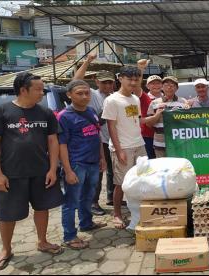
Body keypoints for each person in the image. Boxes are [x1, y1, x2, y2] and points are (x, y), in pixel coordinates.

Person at [0, 72, 64, 271]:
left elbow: (53, 141)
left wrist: (53, 168)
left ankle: (42, 241)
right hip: (11, 174)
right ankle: (6, 249)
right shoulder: (1, 112)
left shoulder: (45, 113)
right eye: (38, 89)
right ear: (23, 90)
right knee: (7, 214)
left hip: (41, 171)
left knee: (42, 207)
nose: (42, 92)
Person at [58, 80, 107, 249]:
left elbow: (97, 135)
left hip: (93, 162)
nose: (85, 96)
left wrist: (102, 158)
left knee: (88, 197)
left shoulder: (92, 111)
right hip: (76, 164)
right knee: (71, 202)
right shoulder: (64, 116)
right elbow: (61, 145)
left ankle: (86, 223)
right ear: (69, 94)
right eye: (80, 93)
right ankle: (69, 236)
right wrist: (68, 170)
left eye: (87, 93)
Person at [102, 66, 147, 229]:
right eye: (130, 79)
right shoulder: (112, 100)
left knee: (141, 180)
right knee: (120, 183)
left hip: (139, 145)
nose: (133, 83)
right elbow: (111, 126)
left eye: (136, 79)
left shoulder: (135, 99)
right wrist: (119, 150)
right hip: (123, 147)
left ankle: (140, 210)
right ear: (120, 78)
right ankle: (117, 214)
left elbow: (136, 120)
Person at [73, 53, 115, 216]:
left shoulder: (114, 96)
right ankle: (93, 202)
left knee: (113, 171)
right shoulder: (91, 94)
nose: (108, 85)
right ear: (97, 82)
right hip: (98, 139)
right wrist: (88, 61)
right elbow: (76, 80)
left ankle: (111, 197)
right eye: (104, 82)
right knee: (98, 172)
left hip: (112, 139)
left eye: (110, 82)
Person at [146, 76, 188, 158]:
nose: (169, 87)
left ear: (177, 88)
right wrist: (157, 114)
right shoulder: (154, 103)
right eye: (166, 85)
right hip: (160, 145)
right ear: (162, 87)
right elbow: (149, 124)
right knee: (162, 169)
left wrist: (187, 112)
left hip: (178, 144)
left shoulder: (183, 102)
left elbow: (188, 123)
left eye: (172, 85)